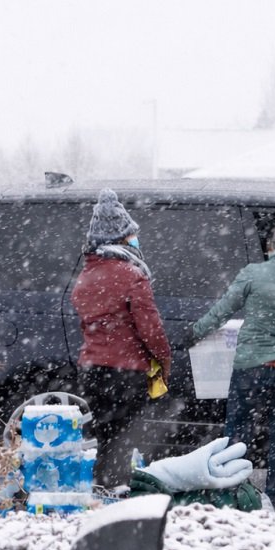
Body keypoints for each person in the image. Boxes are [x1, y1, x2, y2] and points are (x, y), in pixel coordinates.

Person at [189, 220, 275, 509]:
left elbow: (223, 309)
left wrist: (195, 332)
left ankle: (233, 493)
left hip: (252, 367)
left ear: (272, 244)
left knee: (238, 432)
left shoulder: (253, 274)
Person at [71, 188, 172, 490]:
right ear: (119, 239)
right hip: (126, 372)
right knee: (124, 435)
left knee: (104, 434)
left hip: (92, 368)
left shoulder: (85, 277)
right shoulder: (131, 275)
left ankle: (102, 487)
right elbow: (150, 328)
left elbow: (85, 326)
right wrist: (164, 360)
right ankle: (115, 491)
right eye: (131, 236)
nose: (135, 241)